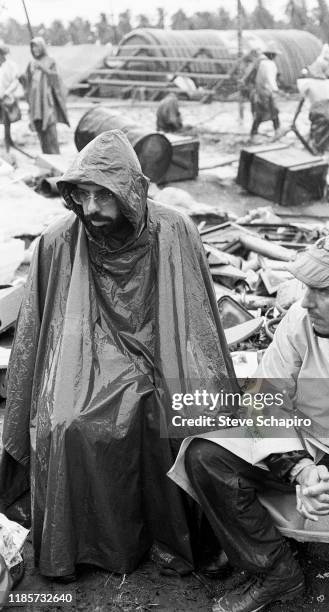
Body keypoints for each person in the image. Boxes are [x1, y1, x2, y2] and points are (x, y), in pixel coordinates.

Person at [0, 129, 236, 581]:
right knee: (64, 423)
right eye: (82, 195)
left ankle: (182, 538)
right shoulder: (59, 241)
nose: (91, 209)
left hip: (160, 354)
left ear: (130, 192)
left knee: (179, 411)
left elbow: (195, 324)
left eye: (103, 196)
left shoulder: (173, 229)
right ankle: (74, 548)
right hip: (86, 361)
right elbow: (40, 335)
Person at [177, 229, 329, 612]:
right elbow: (267, 400)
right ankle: (275, 572)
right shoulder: (300, 320)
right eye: (306, 288)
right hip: (312, 443)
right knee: (206, 456)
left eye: (321, 291)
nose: (306, 302)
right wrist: (300, 468)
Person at [25, 37, 69, 154]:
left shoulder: (50, 61)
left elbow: (56, 79)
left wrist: (44, 69)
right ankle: (47, 159)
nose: (35, 49)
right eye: (32, 47)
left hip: (47, 102)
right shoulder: (31, 63)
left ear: (42, 47)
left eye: (37, 46)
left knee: (50, 130)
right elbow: (28, 83)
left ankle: (56, 158)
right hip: (36, 103)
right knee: (40, 131)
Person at [293, 74, 329, 154]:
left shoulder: (309, 86)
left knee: (316, 148)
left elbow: (300, 105)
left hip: (320, 122)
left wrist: (293, 121)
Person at [241, 44, 282, 138]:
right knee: (272, 112)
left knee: (263, 112)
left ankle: (254, 133)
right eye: (275, 55)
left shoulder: (259, 62)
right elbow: (270, 78)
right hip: (266, 92)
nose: (275, 57)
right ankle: (276, 131)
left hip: (257, 91)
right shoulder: (269, 64)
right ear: (271, 54)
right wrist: (276, 90)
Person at [0, 41, 23, 152]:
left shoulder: (11, 65)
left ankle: (8, 144)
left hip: (6, 98)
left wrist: (6, 93)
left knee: (7, 121)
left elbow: (15, 81)